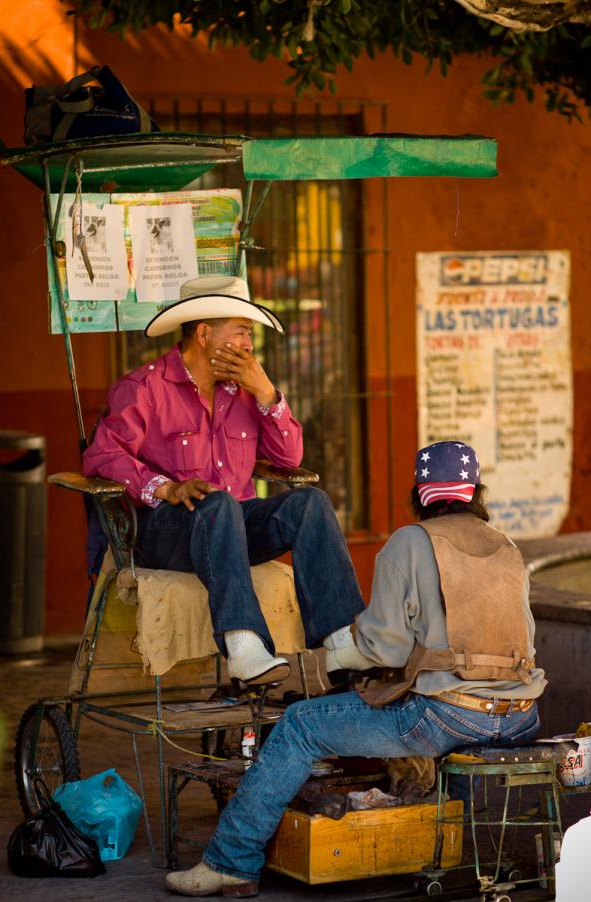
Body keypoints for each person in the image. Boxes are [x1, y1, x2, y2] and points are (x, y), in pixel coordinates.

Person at [165, 439, 546, 898]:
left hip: (452, 716)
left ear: (419, 494)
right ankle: (448, 852)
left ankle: (230, 862)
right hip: (522, 714)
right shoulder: (506, 545)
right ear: (476, 492)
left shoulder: (410, 541)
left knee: (300, 725)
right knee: (443, 718)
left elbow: (382, 650)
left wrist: (319, 662)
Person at [83, 275, 371, 686]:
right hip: (166, 533)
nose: (250, 345)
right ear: (204, 334)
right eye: (241, 332)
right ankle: (244, 643)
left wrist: (267, 392)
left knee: (310, 502)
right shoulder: (144, 387)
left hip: (232, 528)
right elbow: (103, 456)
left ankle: (341, 642)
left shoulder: (245, 391)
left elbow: (289, 458)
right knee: (216, 503)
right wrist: (164, 487)